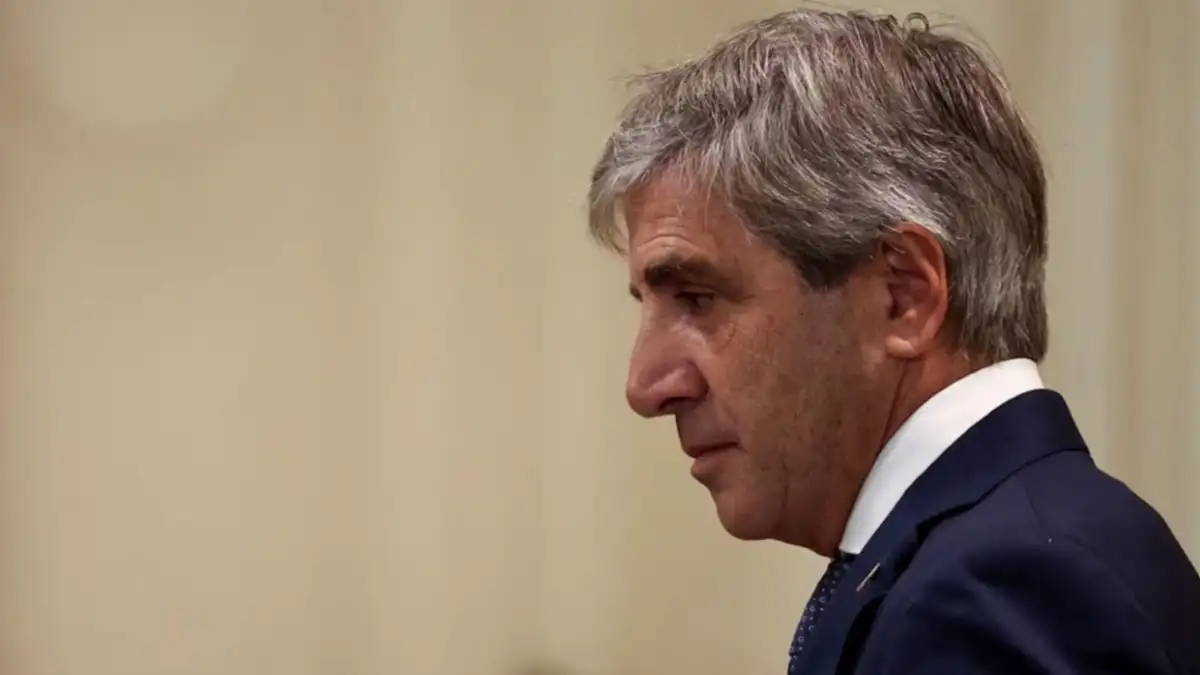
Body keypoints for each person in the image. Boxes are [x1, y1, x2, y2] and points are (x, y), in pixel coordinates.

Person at [586, 8, 1200, 675]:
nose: (645, 386)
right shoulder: (1003, 551)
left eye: (698, 298)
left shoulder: (996, 591)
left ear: (903, 295)